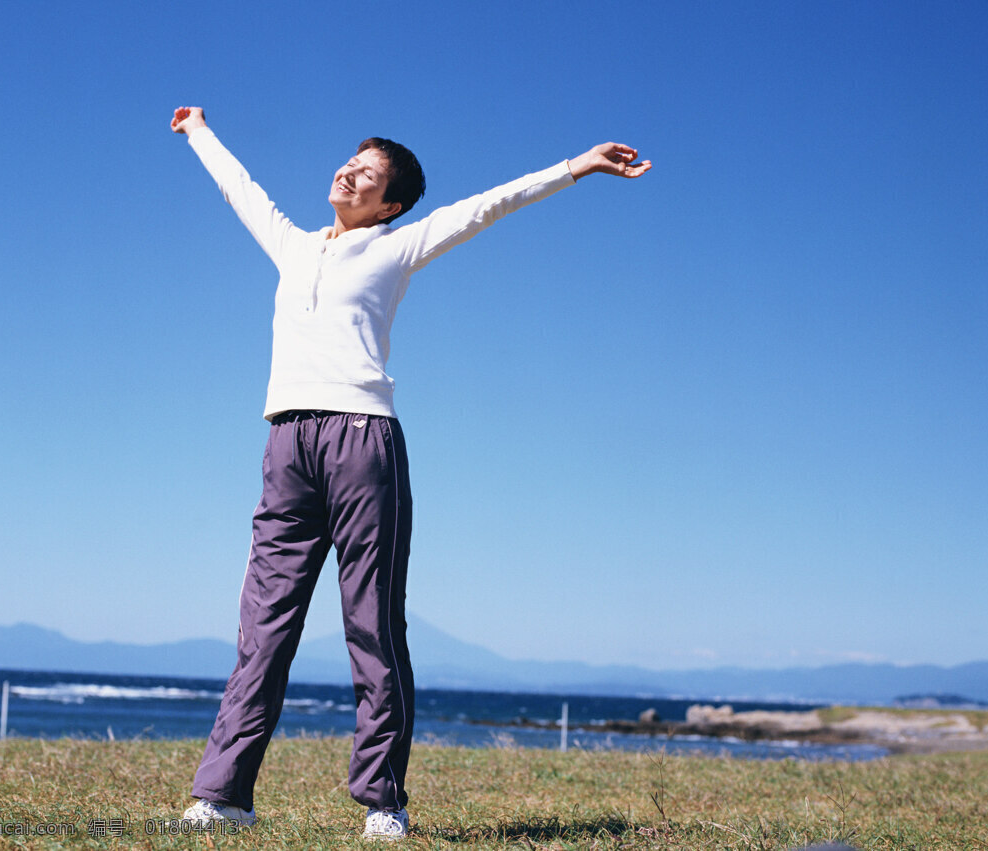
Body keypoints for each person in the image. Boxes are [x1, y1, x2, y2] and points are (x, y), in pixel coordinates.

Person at [169, 105, 651, 840]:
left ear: (390, 203)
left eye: (367, 172)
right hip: (285, 444)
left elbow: (490, 206)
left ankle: (382, 801)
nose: (348, 171)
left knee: (371, 624)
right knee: (261, 628)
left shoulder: (396, 246)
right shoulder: (293, 246)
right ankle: (225, 794)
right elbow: (241, 188)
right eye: (348, 161)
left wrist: (577, 166)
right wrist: (199, 130)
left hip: (364, 442)